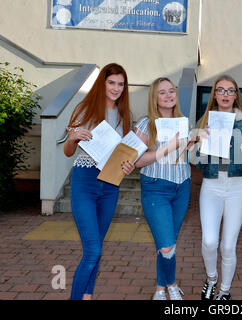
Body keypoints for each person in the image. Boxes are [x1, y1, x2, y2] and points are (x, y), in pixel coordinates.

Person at [64, 63, 135, 300]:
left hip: (110, 184)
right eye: (112, 82)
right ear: (103, 83)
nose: (116, 88)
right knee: (92, 250)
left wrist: (129, 164)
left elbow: (125, 152)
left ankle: (87, 297)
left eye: (121, 84)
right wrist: (73, 137)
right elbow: (67, 151)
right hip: (85, 180)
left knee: (96, 250)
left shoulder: (125, 116)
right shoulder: (86, 109)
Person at [192, 75, 242, 300]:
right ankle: (211, 279)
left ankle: (224, 290)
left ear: (236, 94)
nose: (226, 95)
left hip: (237, 187)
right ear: (215, 94)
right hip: (211, 185)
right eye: (221, 90)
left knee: (228, 246)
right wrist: (199, 144)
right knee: (210, 241)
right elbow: (198, 163)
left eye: (230, 91)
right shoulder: (205, 120)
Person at [134, 77, 192, 300]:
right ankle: (172, 284)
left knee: (168, 243)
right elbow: (137, 161)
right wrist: (168, 147)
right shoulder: (146, 124)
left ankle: (160, 288)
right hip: (156, 188)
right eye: (162, 93)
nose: (169, 95)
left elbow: (187, 157)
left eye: (171, 91)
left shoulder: (183, 122)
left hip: (182, 187)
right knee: (167, 246)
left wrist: (193, 146)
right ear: (154, 98)